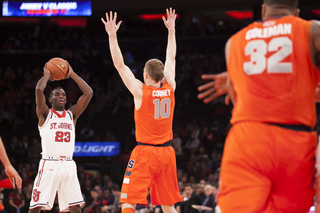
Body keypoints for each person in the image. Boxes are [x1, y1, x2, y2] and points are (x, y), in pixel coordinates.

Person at [198, 0, 320, 212]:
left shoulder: (233, 42)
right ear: (297, 13)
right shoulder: (311, 30)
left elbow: (238, 99)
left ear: (263, 10)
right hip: (295, 140)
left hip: (249, 138)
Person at [101, 7, 182, 213]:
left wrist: (112, 35)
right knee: (168, 205)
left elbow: (119, 65)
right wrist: (171, 30)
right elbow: (171, 57)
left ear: (146, 76)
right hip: (167, 153)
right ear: (162, 76)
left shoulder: (140, 91)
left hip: (145, 152)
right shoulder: (170, 86)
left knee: (129, 202)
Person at [28, 62, 93, 213]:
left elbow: (88, 93)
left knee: (75, 207)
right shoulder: (45, 114)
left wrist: (71, 74)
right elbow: (38, 89)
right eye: (57, 94)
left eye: (63, 94)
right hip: (49, 163)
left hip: (68, 164)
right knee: (36, 207)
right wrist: (47, 75)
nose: (61, 96)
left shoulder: (72, 115)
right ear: (50, 100)